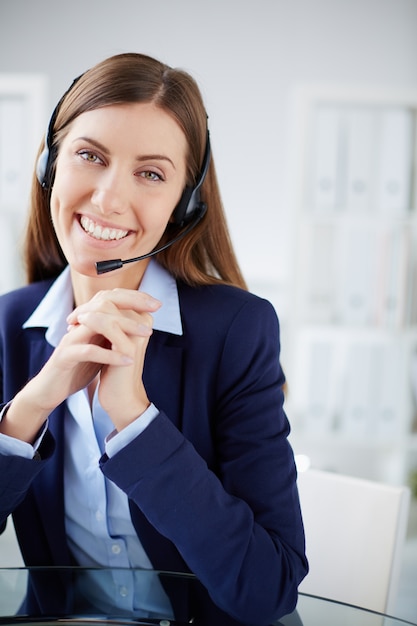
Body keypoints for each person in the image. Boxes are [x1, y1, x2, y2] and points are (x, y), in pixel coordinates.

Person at [0, 52, 307, 625]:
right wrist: (29, 408)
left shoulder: (237, 332)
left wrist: (135, 419)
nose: (109, 199)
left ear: (184, 207)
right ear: (50, 167)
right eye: (89, 156)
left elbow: (268, 589)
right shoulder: (8, 324)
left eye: (151, 173)